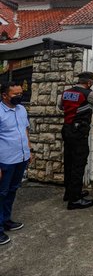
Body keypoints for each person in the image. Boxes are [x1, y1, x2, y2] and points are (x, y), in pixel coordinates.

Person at [59, 72, 93, 210]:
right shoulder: (87, 93)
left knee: (69, 162)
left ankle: (70, 192)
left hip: (67, 130)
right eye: (92, 82)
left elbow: (61, 107)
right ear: (89, 82)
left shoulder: (66, 92)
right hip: (78, 132)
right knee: (78, 164)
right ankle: (74, 200)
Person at [0, 81, 32, 245]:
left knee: (12, 190)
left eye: (21, 93)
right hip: (5, 160)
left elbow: (25, 129)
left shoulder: (21, 109)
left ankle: (6, 220)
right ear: (4, 95)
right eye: (15, 94)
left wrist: (28, 149)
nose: (19, 96)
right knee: (1, 193)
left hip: (21, 157)